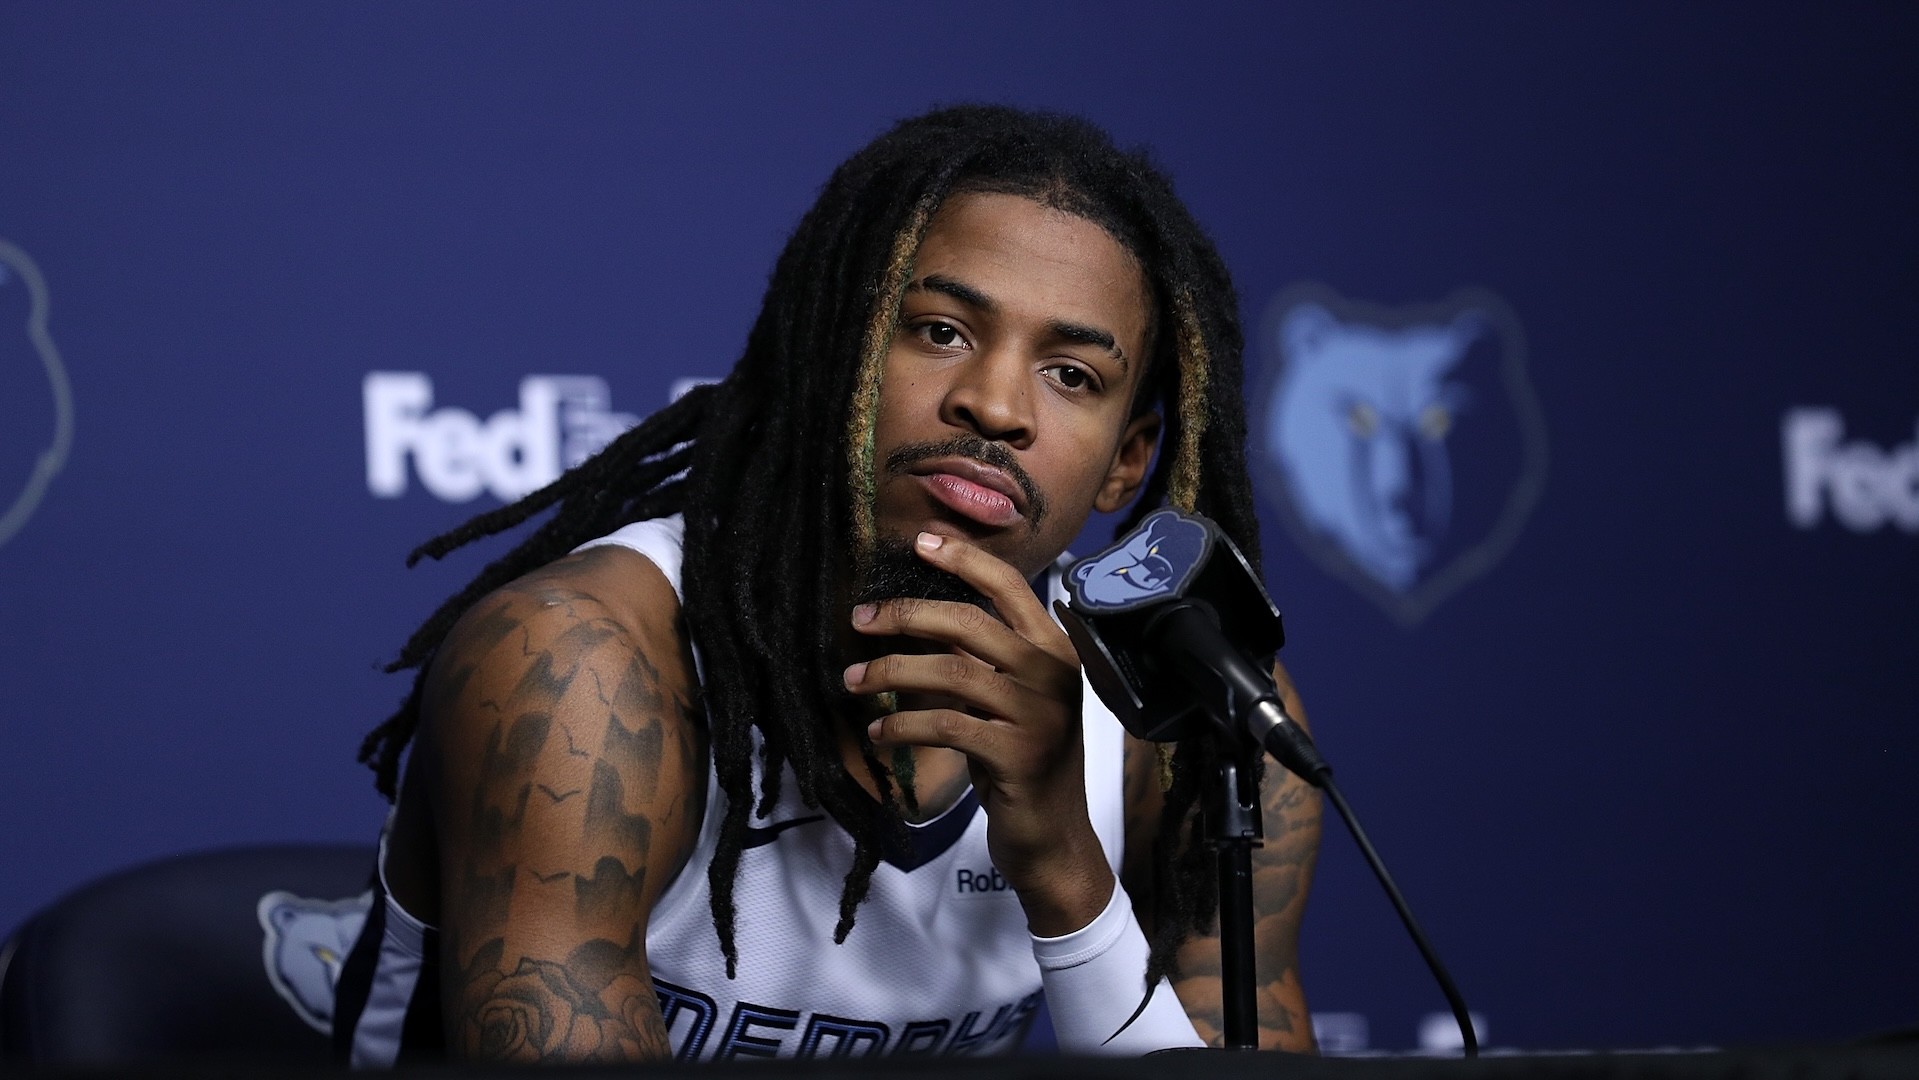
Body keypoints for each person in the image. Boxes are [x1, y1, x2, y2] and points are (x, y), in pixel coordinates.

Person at [336, 104, 1321, 1066]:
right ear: (829, 357)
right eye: (940, 330)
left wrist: (1069, 873)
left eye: (1071, 375)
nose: (993, 404)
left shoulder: (1199, 720)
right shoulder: (580, 670)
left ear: (1125, 462)